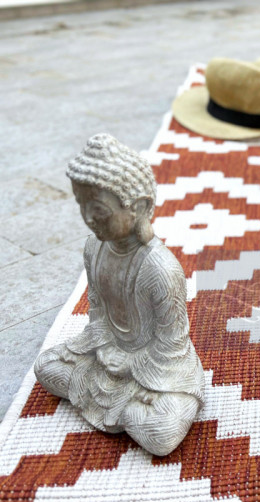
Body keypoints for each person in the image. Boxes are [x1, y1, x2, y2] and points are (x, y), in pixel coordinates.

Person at [34, 134, 204, 456]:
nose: (88, 218)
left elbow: (173, 343)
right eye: (82, 206)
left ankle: (134, 408)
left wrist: (129, 363)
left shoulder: (160, 268)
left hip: (156, 369)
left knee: (161, 432)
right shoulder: (94, 248)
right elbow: (97, 310)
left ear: (139, 207)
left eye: (99, 209)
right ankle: (123, 408)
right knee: (46, 366)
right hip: (107, 355)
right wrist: (104, 347)